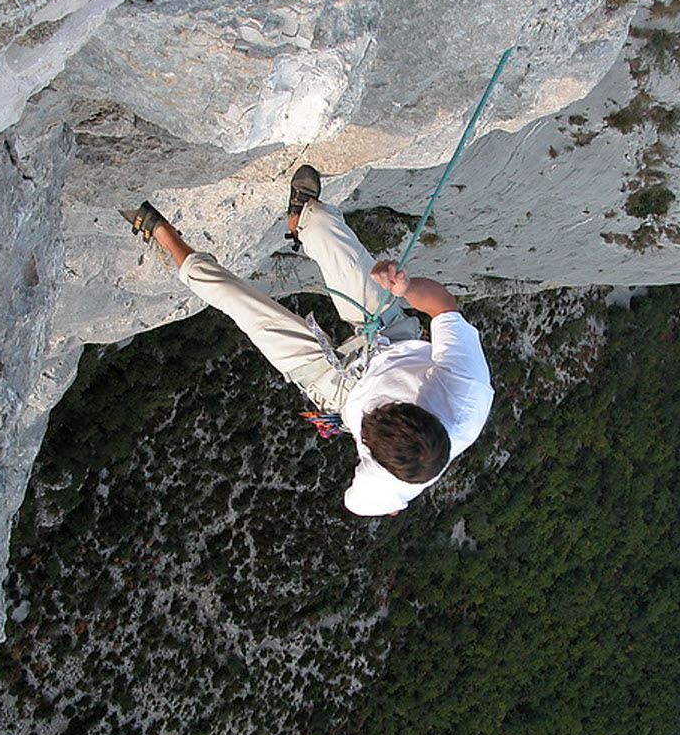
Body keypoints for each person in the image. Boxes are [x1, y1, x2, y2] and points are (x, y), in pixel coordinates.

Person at [121, 166, 493, 516]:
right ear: (427, 413)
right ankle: (304, 218)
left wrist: (390, 502)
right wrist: (407, 288)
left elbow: (365, 504)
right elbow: (443, 305)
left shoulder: (387, 480)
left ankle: (161, 233)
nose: (379, 407)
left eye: (373, 419)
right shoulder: (467, 393)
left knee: (243, 306)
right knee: (327, 229)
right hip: (390, 340)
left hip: (340, 391)